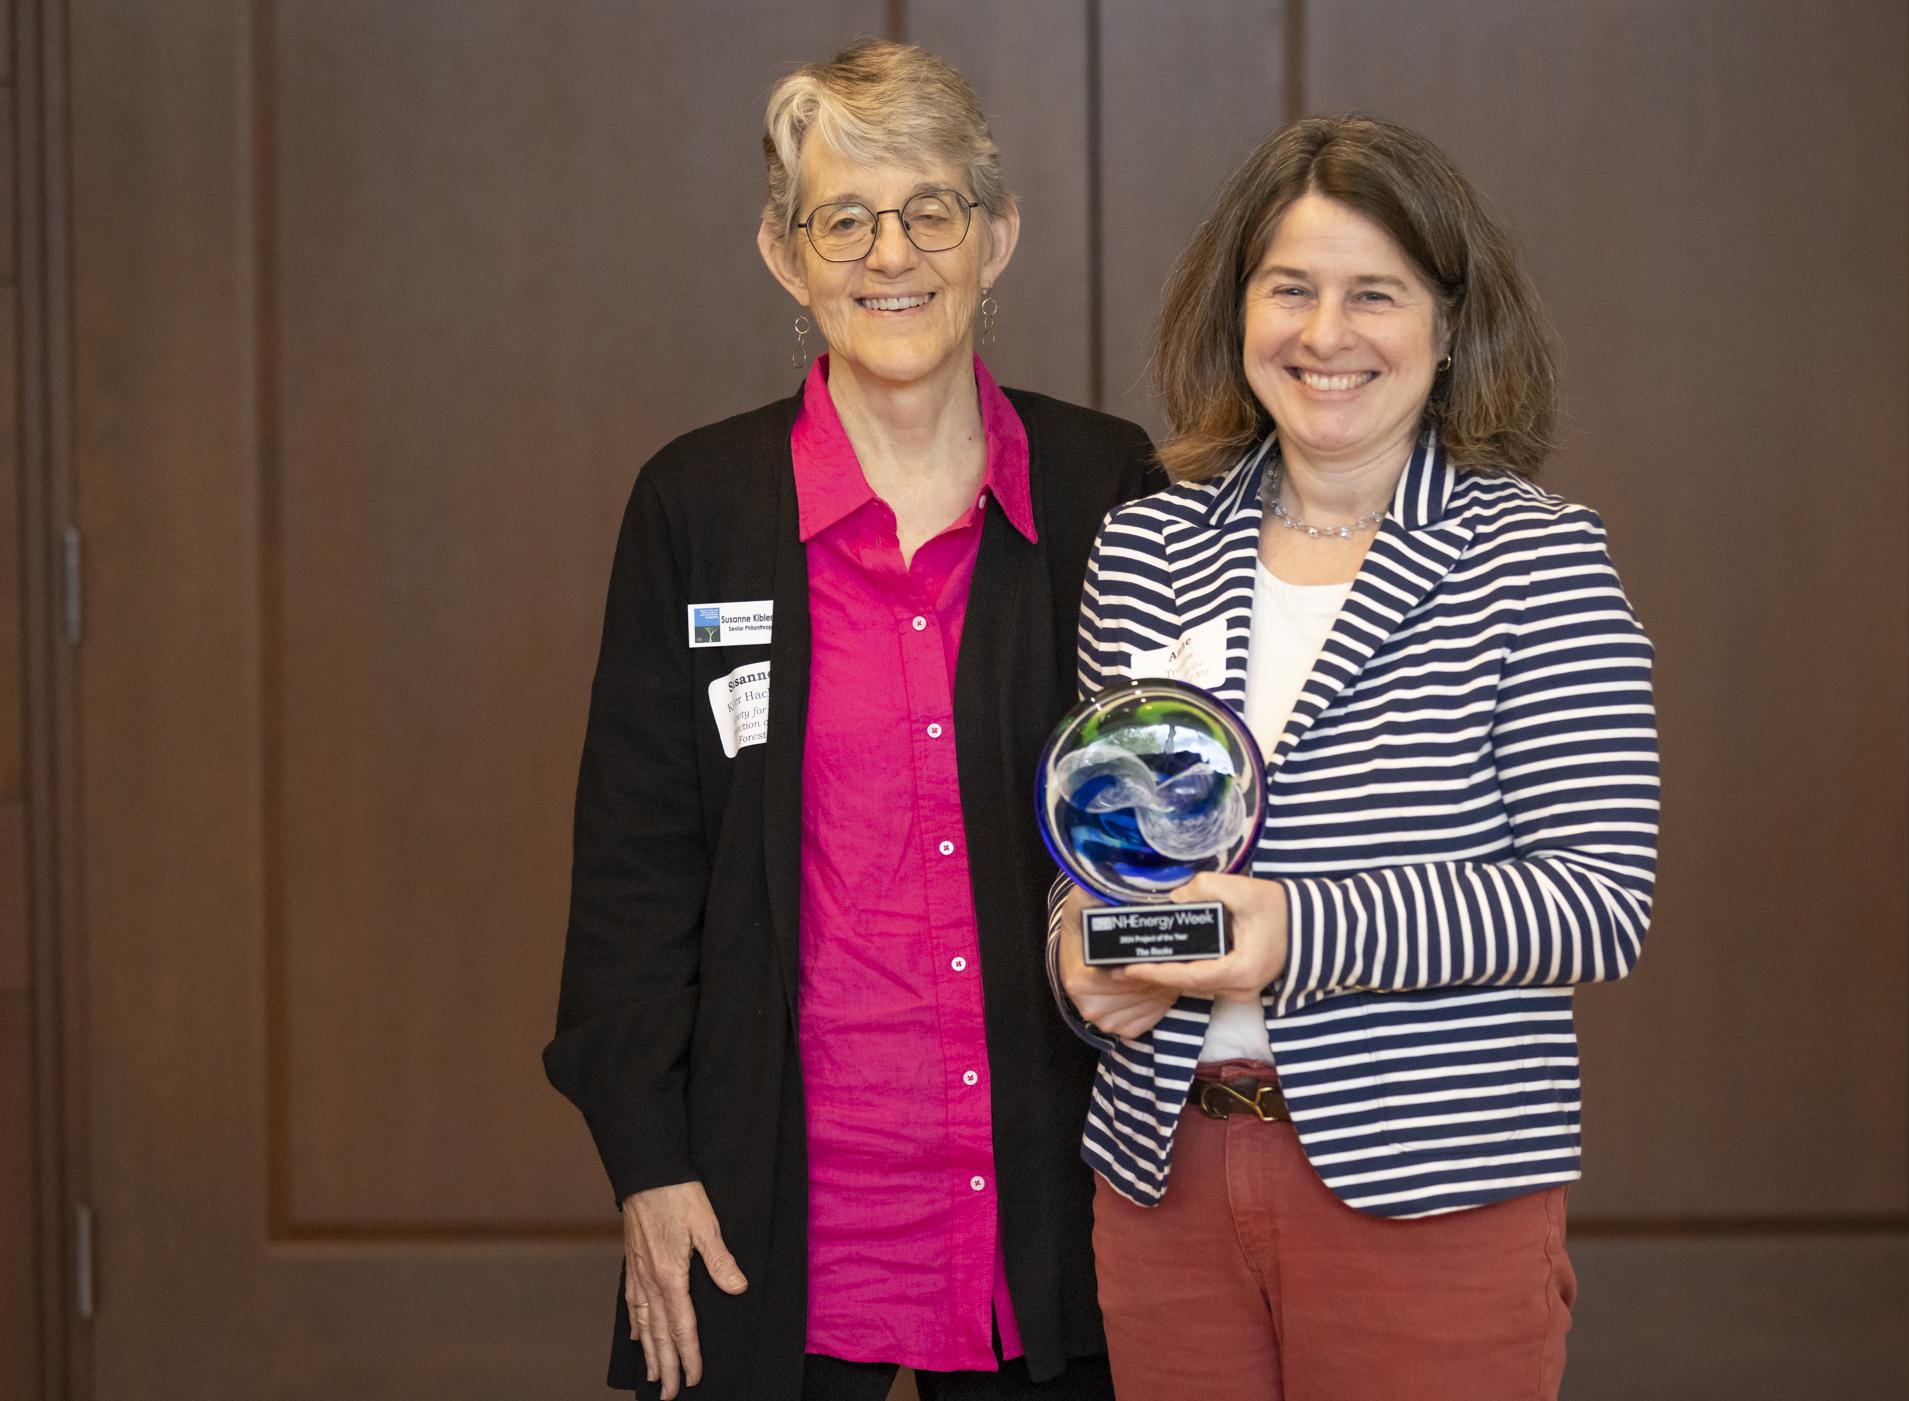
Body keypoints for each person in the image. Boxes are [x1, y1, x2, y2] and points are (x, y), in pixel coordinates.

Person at [546, 39, 1151, 1401]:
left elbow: (1178, 817)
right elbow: (632, 868)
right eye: (845, 218)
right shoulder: (697, 507)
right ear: (785, 252)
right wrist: (646, 1158)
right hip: (769, 1204)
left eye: (932, 208)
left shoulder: (1111, 489)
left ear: (997, 236)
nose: (894, 253)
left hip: (1050, 1206)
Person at [1051, 115, 1659, 1400]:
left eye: (1372, 294)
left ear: (1448, 323)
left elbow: (1599, 897)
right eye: (1291, 290)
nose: (1326, 336)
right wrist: (1079, 955)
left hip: (1429, 1189)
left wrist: (1292, 933)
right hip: (1165, 1186)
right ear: (1241, 312)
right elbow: (1107, 838)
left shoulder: (1535, 560)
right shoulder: (1147, 548)